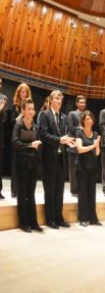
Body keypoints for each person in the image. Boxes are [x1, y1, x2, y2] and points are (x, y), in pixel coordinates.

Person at [38, 90, 76, 229]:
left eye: (61, 98)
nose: (60, 101)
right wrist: (60, 139)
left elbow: (66, 136)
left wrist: (69, 142)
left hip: (61, 159)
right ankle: (50, 219)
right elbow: (43, 135)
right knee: (50, 191)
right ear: (50, 100)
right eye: (57, 98)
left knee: (59, 191)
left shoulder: (64, 117)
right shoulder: (44, 115)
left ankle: (59, 218)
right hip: (49, 159)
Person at [12, 98, 44, 232]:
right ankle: (24, 223)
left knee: (31, 193)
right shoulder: (18, 125)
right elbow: (15, 142)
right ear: (23, 110)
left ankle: (34, 222)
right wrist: (30, 145)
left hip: (33, 163)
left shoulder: (36, 126)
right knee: (22, 193)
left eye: (33, 109)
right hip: (22, 163)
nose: (31, 111)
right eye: (29, 109)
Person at [74, 110, 101, 226]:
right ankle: (83, 218)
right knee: (83, 193)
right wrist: (93, 146)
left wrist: (97, 145)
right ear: (83, 121)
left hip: (92, 167)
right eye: (87, 119)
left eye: (90, 119)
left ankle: (92, 218)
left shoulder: (95, 134)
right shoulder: (79, 133)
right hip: (82, 167)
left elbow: (97, 153)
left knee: (91, 193)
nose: (89, 121)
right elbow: (79, 149)